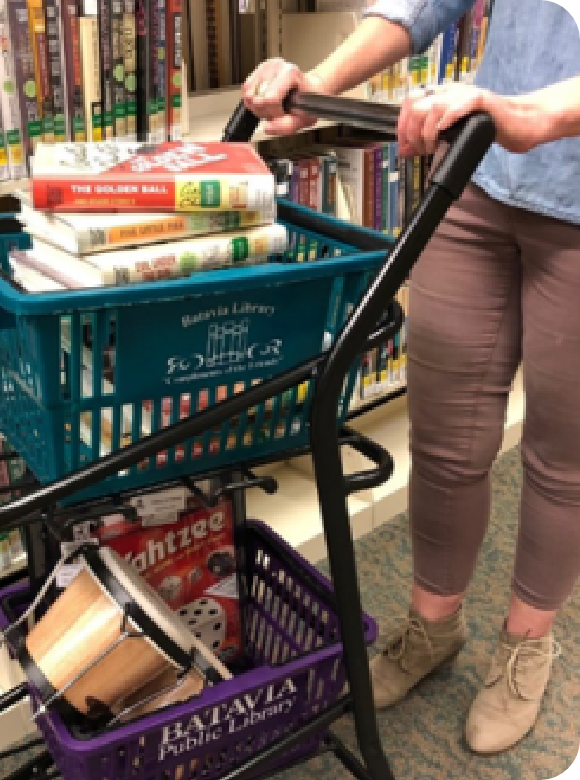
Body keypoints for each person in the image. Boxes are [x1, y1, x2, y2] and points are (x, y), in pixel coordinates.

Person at [244, 0, 580, 753]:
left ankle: (528, 644)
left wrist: (535, 111)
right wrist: (315, 81)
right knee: (446, 438)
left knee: (563, 459)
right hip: (477, 173)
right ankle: (434, 628)